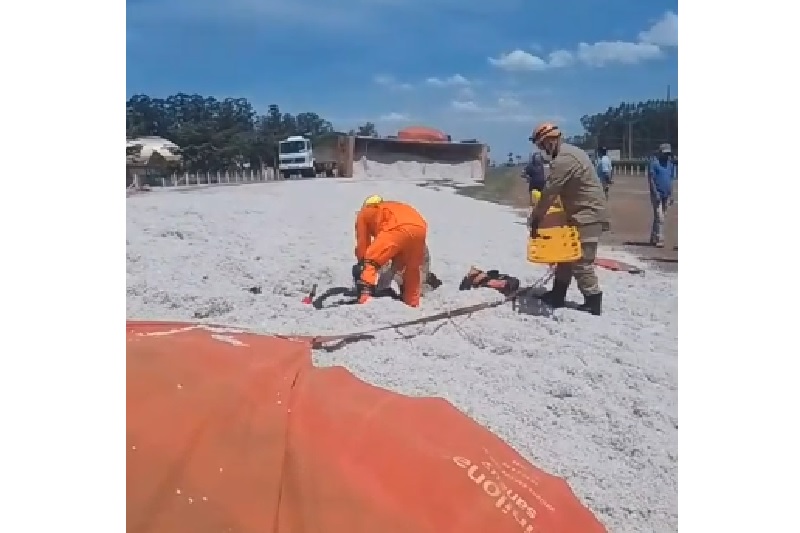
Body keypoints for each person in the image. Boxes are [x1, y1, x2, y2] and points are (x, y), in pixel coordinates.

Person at [527, 122, 608, 315]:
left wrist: (536, 218)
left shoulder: (565, 159)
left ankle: (593, 299)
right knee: (565, 255)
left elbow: (550, 192)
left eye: (542, 145)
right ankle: (557, 295)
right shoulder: (569, 153)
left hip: (588, 214)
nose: (542, 149)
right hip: (578, 213)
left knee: (581, 260)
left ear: (550, 141)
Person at [354, 195, 428, 307]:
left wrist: (362, 263)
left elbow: (362, 242)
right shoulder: (390, 208)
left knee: (371, 260)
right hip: (420, 227)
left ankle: (365, 297)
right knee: (412, 268)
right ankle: (412, 302)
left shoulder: (364, 213)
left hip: (397, 227)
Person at [648, 144, 676, 248]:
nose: (667, 156)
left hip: (666, 194)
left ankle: (653, 236)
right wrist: (655, 192)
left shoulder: (670, 165)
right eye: (665, 154)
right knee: (660, 217)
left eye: (668, 154)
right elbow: (651, 179)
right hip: (657, 194)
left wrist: (671, 194)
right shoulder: (654, 164)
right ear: (660, 153)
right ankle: (660, 238)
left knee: (660, 217)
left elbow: (670, 180)